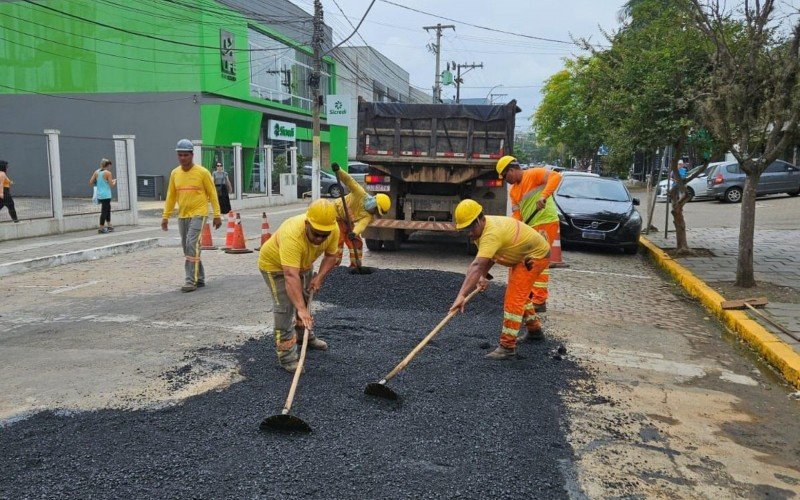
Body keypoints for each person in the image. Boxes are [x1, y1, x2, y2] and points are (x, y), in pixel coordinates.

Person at [449, 199, 550, 360]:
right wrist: (482, 277)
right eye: (465, 229)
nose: (469, 232)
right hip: (520, 255)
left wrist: (461, 296)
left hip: (533, 257)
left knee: (513, 299)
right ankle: (534, 331)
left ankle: (507, 347)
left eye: (470, 227)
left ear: (479, 220)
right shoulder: (481, 230)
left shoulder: (491, 233)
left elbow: (476, 265)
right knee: (519, 294)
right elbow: (488, 257)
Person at [258, 199, 340, 372]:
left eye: (323, 235)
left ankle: (305, 337)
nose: (319, 239)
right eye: (316, 233)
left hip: (303, 265)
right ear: (306, 224)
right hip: (276, 267)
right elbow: (290, 275)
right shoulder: (292, 235)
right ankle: (287, 357)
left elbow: (331, 256)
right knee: (286, 308)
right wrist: (300, 310)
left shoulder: (332, 229)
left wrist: (319, 278)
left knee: (304, 300)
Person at [496, 156, 562, 338]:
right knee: (529, 262)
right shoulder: (513, 191)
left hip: (546, 222)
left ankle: (540, 299)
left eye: (504, 176)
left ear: (511, 170)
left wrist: (543, 196)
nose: (505, 180)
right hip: (531, 227)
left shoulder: (534, 174)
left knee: (539, 261)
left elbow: (556, 177)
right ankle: (533, 298)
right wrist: (512, 229)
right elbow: (517, 214)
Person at [161, 139, 222, 292]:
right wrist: (165, 216)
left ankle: (190, 281)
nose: (182, 158)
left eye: (185, 155)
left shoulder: (203, 173)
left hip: (199, 214)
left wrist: (217, 215)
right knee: (187, 247)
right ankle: (199, 278)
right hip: (182, 215)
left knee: (191, 244)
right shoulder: (175, 173)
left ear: (192, 155)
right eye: (180, 155)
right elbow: (171, 196)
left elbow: (213, 194)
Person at [330, 163, 391, 268]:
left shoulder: (368, 216)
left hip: (347, 220)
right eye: (376, 210)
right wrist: (338, 170)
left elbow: (361, 225)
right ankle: (333, 267)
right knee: (338, 240)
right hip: (336, 215)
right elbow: (349, 180)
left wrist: (354, 233)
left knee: (357, 242)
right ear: (374, 203)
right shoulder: (359, 192)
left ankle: (355, 266)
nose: (375, 213)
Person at [89, 158, 116, 233]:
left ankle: (110, 225)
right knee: (104, 211)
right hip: (106, 195)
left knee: (107, 209)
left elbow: (91, 182)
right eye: (110, 166)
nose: (110, 168)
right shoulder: (108, 173)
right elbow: (111, 185)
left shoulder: (96, 172)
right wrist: (114, 182)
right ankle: (101, 228)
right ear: (108, 165)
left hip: (100, 194)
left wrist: (100, 182)